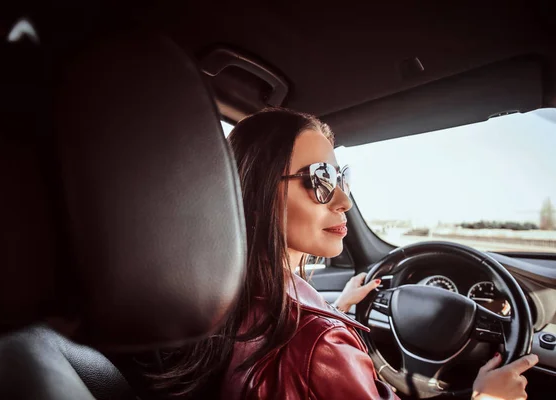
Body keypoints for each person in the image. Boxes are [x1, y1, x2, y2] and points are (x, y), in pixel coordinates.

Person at [131, 108, 537, 399]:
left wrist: (336, 310)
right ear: (253, 192)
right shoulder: (320, 345)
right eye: (320, 179)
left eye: (341, 177)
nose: (343, 199)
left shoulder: (219, 300)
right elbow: (311, 356)